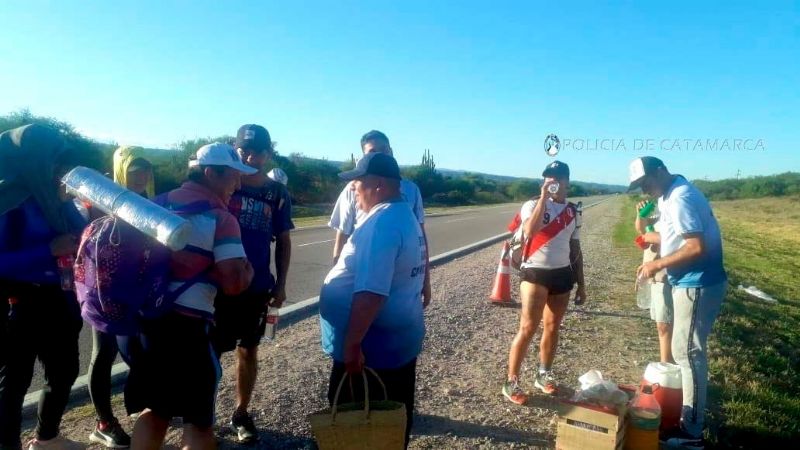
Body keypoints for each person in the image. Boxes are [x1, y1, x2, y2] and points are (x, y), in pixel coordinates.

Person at [128, 143, 255, 450]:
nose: (237, 185)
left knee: (155, 411)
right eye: (233, 178)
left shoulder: (154, 204)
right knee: (198, 424)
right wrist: (247, 270)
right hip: (187, 329)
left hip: (145, 323)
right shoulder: (220, 219)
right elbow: (234, 284)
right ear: (210, 173)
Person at [319, 152, 427, 447]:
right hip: (395, 344)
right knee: (392, 419)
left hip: (371, 350)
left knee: (361, 425)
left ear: (377, 184)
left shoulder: (381, 224)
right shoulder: (402, 213)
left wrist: (352, 344)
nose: (353, 192)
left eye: (356, 185)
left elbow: (371, 293)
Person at [0, 124, 88, 450]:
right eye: (53, 161)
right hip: (18, 302)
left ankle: (46, 437)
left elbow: (81, 233)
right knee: (14, 383)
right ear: (34, 160)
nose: (59, 169)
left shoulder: (52, 194)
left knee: (65, 371)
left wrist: (69, 207)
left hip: (59, 297)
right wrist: (47, 251)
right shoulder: (6, 199)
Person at [630, 156, 727, 450]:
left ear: (660, 171)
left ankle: (692, 432)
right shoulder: (670, 194)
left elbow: (696, 247)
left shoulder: (680, 197)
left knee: (687, 353)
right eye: (639, 186)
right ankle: (689, 421)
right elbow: (675, 235)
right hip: (690, 281)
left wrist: (656, 265)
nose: (644, 189)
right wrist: (650, 235)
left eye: (646, 182)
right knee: (683, 351)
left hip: (697, 283)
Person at [211, 125, 293, 443]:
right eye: (244, 150)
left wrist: (281, 284)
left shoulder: (276, 193)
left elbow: (284, 241)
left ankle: (241, 413)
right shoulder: (224, 183)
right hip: (218, 286)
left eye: (258, 151)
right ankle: (203, 417)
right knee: (210, 354)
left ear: (268, 154)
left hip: (256, 287)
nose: (250, 156)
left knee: (249, 350)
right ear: (235, 149)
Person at [82, 146, 155, 448]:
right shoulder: (99, 199)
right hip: (103, 290)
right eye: (135, 169)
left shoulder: (147, 202)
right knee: (104, 353)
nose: (142, 175)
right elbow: (83, 239)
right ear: (122, 168)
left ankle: (144, 409)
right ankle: (103, 422)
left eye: (146, 169)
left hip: (137, 290)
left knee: (138, 350)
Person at [503, 160, 586, 405]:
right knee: (528, 328)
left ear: (567, 181)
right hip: (535, 272)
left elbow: (576, 248)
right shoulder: (532, 204)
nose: (554, 182)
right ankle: (511, 381)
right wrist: (542, 199)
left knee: (552, 327)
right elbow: (529, 231)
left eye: (559, 178)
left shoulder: (573, 211)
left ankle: (543, 374)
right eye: (549, 178)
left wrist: (582, 283)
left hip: (562, 273)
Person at [328, 130, 431, 307]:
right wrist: (336, 279)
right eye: (372, 152)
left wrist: (425, 280)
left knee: (388, 320)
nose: (381, 155)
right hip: (363, 276)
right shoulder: (352, 189)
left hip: (399, 279)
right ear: (363, 158)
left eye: (384, 150)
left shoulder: (411, 190)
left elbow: (420, 237)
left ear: (391, 151)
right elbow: (342, 235)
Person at [634, 200, 674, 364]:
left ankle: (668, 367)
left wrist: (654, 237)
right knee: (661, 323)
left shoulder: (675, 212)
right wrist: (640, 214)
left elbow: (675, 243)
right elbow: (641, 230)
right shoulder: (657, 209)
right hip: (654, 274)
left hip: (666, 273)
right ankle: (667, 364)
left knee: (665, 324)